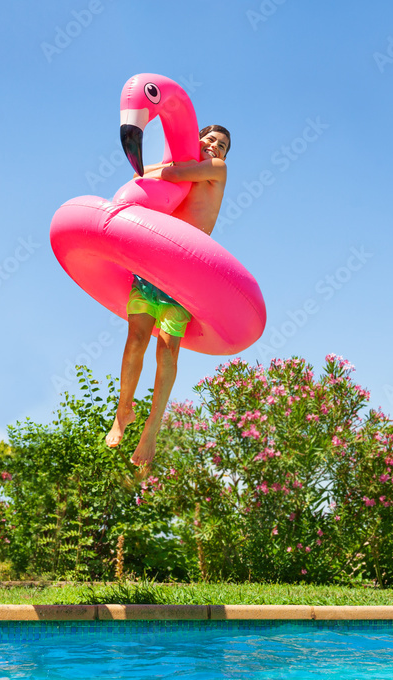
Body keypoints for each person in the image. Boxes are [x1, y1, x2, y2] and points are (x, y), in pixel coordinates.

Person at [105, 125, 231, 466]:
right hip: (154, 265)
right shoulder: (185, 167)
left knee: (167, 352)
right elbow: (143, 180)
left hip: (186, 272)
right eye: (208, 139)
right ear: (197, 139)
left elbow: (171, 172)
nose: (214, 147)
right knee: (135, 339)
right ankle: (124, 411)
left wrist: (165, 163)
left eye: (221, 146)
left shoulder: (214, 170)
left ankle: (151, 429)